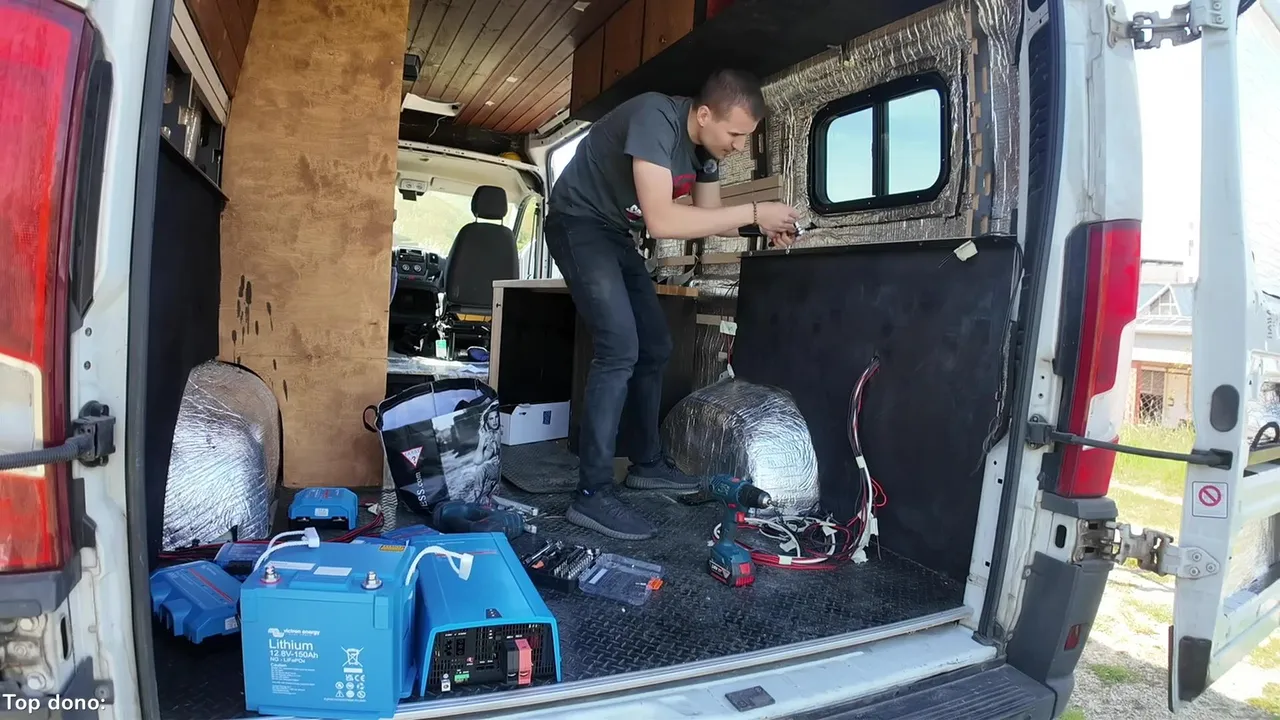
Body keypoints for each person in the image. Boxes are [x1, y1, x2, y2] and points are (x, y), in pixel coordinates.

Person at [544, 69, 801, 540]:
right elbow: (661, 221)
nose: (739, 146)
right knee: (619, 348)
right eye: (735, 134)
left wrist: (758, 225)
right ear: (703, 115)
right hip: (577, 222)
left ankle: (646, 465)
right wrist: (753, 210)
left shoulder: (707, 154)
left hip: (614, 234)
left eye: (747, 137)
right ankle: (592, 493)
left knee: (656, 345)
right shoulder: (654, 116)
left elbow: (708, 218)